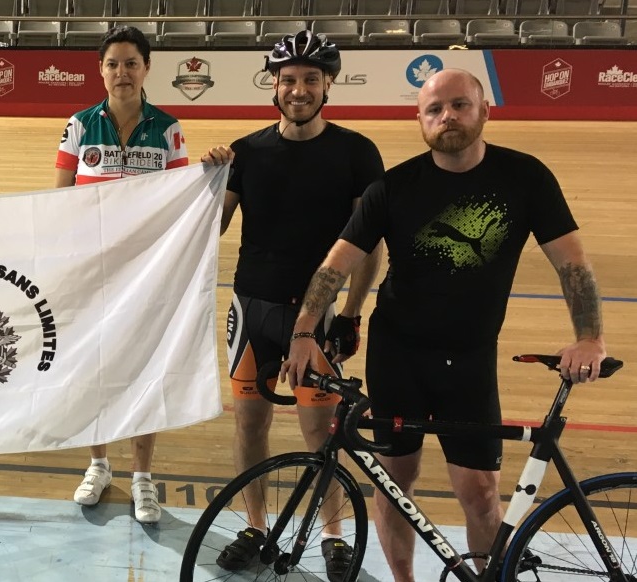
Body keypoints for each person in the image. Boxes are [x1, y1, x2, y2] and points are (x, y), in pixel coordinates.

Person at [282, 68, 607, 582]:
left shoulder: (526, 177)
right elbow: (335, 266)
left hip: (470, 358)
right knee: (395, 482)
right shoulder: (392, 187)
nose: (447, 117)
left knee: (479, 491)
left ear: (484, 111)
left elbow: (572, 264)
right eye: (434, 109)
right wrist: (304, 330)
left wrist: (589, 336)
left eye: (459, 105)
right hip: (398, 354)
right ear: (420, 119)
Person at [213, 31, 384, 581]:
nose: (299, 89)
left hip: (319, 316)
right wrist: (209, 177)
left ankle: (332, 534)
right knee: (249, 425)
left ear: (328, 84)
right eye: (289, 79)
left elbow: (371, 247)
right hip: (251, 306)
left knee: (320, 434)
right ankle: (257, 525)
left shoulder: (357, 152)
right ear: (275, 85)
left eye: (311, 79)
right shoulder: (246, 151)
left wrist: (353, 314)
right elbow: (209, 228)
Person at [55, 25, 228, 524]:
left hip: (148, 275)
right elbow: (59, 201)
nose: (122, 72)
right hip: (92, 272)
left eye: (131, 63)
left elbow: (182, 200)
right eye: (113, 64)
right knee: (95, 368)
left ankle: (143, 476)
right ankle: (98, 464)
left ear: (146, 69)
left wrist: (210, 169)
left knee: (144, 370)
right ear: (100, 70)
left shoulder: (169, 128)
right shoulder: (79, 124)